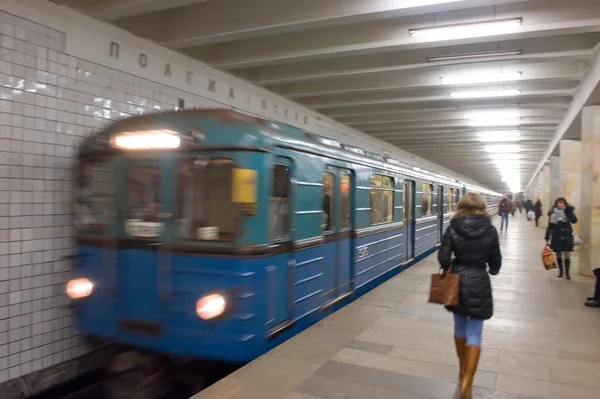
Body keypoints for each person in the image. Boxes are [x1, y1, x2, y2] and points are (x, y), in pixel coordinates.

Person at [438, 192, 502, 399]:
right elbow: (495, 263)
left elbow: (444, 257)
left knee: (460, 327)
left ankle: (462, 369)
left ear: (461, 206)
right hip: (479, 280)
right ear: (483, 207)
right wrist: (491, 269)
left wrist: (448, 266)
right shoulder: (490, 229)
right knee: (475, 330)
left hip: (457, 280)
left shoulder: (453, 227)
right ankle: (468, 382)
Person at [545, 197, 578, 280]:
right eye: (559, 203)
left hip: (567, 235)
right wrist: (547, 235)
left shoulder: (568, 211)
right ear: (556, 204)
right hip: (557, 235)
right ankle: (561, 272)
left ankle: (567, 273)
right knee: (558, 253)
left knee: (567, 254)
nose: (560, 204)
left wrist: (569, 212)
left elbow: (574, 220)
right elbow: (550, 225)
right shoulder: (553, 213)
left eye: (562, 203)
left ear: (565, 203)